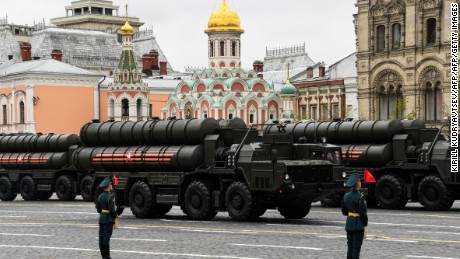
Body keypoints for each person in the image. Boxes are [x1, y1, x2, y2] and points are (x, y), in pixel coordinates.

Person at [341, 173, 368, 259]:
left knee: (350, 248)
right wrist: (365, 223)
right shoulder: (361, 196)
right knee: (356, 249)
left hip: (349, 224)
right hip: (358, 225)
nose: (360, 182)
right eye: (359, 181)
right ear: (357, 183)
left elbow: (344, 211)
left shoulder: (346, 196)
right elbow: (363, 213)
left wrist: (351, 215)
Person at [96, 177, 117, 259]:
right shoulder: (110, 197)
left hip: (102, 218)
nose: (111, 185)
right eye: (111, 184)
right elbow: (112, 210)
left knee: (101, 237)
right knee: (106, 237)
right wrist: (115, 215)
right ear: (108, 185)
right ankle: (107, 257)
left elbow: (98, 209)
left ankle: (103, 256)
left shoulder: (100, 196)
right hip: (108, 219)